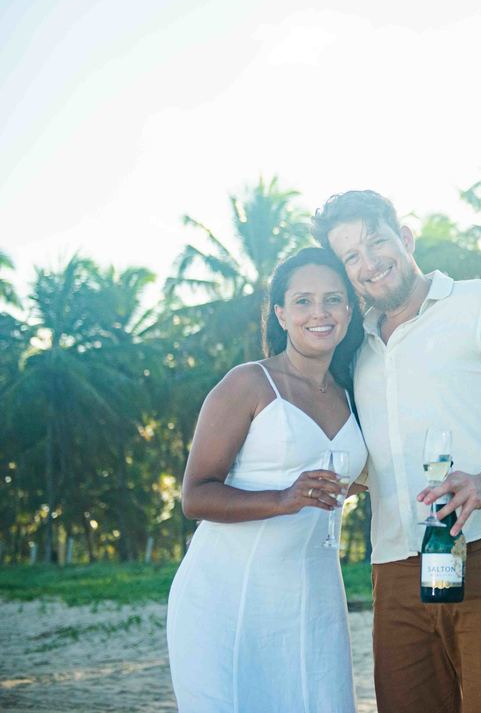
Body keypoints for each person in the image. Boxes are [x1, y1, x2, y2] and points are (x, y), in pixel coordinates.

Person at [313, 190, 481, 713]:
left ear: (405, 238)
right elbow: (382, 459)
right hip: (393, 570)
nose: (369, 264)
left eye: (377, 242)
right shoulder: (357, 348)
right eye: (351, 257)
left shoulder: (480, 303)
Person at [167, 247, 368, 713]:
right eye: (303, 301)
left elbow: (353, 474)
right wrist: (283, 498)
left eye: (333, 299)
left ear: (350, 309)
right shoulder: (250, 383)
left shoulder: (352, 392)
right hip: (228, 598)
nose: (319, 312)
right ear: (280, 313)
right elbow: (195, 496)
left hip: (314, 600)